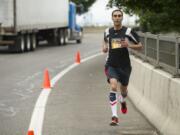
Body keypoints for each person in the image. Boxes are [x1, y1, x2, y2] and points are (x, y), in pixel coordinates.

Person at [102, 9, 143, 126]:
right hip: (111, 65)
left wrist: (129, 45)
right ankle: (114, 116)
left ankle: (122, 100)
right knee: (113, 86)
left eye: (119, 16)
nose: (117, 18)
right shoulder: (107, 31)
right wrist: (104, 47)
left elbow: (140, 46)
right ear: (112, 18)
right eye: (115, 16)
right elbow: (104, 41)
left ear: (122, 18)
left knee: (123, 91)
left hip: (125, 67)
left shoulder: (128, 31)